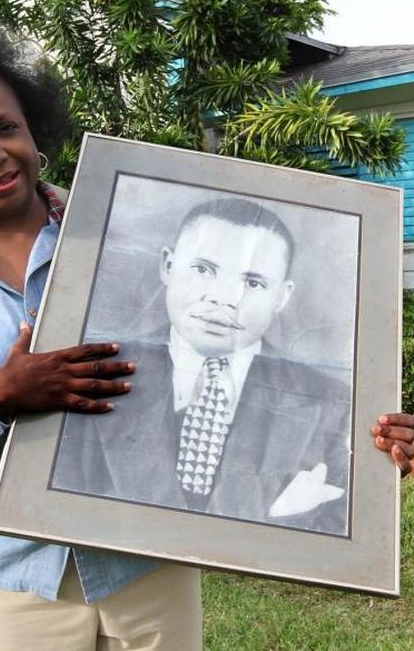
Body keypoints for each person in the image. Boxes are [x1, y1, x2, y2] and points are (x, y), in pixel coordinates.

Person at [0, 23, 414, 651]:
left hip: (147, 568)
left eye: (5, 127)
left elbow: (233, 381)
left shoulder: (119, 235)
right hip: (7, 584)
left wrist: (364, 456)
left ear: (34, 133)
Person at [52, 197, 353, 535]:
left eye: (252, 283)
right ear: (168, 265)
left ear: (282, 296)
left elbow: (346, 523)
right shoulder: (93, 373)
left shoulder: (330, 403)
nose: (223, 298)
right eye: (203, 269)